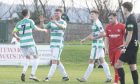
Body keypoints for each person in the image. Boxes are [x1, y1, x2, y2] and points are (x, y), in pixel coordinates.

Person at [76, 10, 112, 83]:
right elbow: (93, 33)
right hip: (99, 45)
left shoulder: (98, 23)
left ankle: (84, 78)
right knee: (102, 61)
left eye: (92, 14)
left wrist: (94, 38)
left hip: (97, 46)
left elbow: (103, 34)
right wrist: (85, 39)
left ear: (97, 15)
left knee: (91, 61)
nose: (91, 15)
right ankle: (109, 77)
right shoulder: (95, 23)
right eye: (91, 14)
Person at [12, 9, 47, 82]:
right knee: (36, 57)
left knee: (27, 58)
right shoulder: (30, 21)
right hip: (30, 43)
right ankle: (32, 75)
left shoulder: (18, 23)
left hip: (22, 44)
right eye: (29, 12)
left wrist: (17, 37)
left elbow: (13, 33)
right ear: (28, 14)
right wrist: (43, 30)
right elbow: (36, 29)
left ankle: (24, 72)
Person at [39, 8, 69, 82]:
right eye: (55, 13)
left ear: (61, 14)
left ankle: (48, 77)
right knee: (57, 61)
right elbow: (44, 27)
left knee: (54, 61)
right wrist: (42, 21)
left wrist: (55, 22)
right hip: (52, 44)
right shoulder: (51, 22)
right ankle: (65, 76)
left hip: (58, 45)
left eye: (58, 13)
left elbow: (63, 27)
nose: (56, 14)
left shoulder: (63, 22)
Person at [115, 2, 139, 84]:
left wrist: (125, 46)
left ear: (126, 9)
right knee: (132, 67)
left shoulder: (130, 19)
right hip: (134, 45)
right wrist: (125, 45)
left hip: (131, 47)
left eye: (123, 8)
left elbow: (130, 34)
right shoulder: (132, 18)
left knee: (117, 65)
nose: (122, 10)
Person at [105, 12, 125, 84]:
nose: (110, 20)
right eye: (109, 18)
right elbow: (106, 38)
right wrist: (106, 48)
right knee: (114, 65)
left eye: (111, 18)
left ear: (116, 17)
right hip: (111, 50)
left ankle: (116, 81)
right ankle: (119, 78)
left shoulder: (122, 26)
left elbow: (126, 37)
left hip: (119, 49)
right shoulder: (108, 27)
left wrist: (124, 46)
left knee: (117, 64)